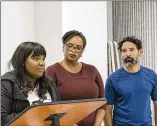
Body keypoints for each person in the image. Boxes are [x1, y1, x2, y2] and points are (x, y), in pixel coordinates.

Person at [46, 30, 105, 126]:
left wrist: (97, 125)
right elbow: (50, 105)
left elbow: (102, 102)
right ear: (63, 47)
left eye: (78, 48)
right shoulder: (52, 71)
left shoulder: (92, 70)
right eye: (70, 46)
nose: (73, 50)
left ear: (82, 51)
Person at [1, 42, 60, 126]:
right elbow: (2, 119)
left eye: (43, 59)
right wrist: (35, 114)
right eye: (36, 58)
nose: (42, 63)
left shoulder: (49, 83)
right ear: (22, 61)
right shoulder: (6, 83)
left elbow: (59, 112)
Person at [104, 36, 157, 126]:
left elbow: (156, 104)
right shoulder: (112, 79)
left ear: (140, 52)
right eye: (124, 51)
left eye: (131, 50)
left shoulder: (151, 75)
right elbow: (107, 109)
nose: (127, 54)